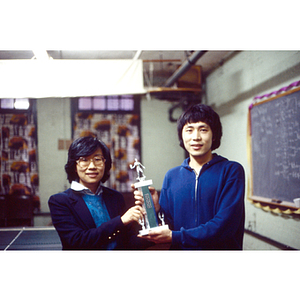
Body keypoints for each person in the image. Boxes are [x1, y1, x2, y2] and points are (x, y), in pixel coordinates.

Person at [134, 104, 245, 250]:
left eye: (203, 130)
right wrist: (156, 209)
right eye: (189, 130)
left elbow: (224, 225)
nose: (196, 137)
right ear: (182, 135)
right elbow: (168, 225)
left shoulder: (231, 171)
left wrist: (176, 237)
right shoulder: (172, 176)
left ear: (214, 134)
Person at [48, 136, 152, 250]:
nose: (92, 166)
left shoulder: (115, 197)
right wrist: (120, 221)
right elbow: (76, 241)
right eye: (84, 160)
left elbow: (127, 242)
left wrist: (151, 235)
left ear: (105, 163)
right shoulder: (60, 201)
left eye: (97, 159)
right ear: (74, 165)